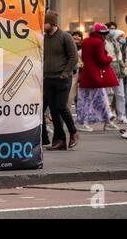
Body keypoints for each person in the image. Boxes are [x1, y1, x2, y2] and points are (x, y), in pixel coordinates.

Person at [42, 10, 79, 150]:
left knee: (61, 107)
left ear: (52, 23)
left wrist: (65, 73)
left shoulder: (65, 37)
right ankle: (60, 140)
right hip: (48, 78)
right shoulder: (44, 38)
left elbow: (74, 58)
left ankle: (74, 132)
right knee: (54, 110)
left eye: (45, 23)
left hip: (62, 78)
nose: (43, 25)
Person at [77, 24, 119, 131]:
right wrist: (110, 58)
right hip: (97, 75)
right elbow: (102, 59)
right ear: (101, 34)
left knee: (89, 98)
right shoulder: (99, 42)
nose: (105, 36)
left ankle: (107, 121)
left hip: (87, 74)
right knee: (98, 99)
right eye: (104, 34)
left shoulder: (86, 41)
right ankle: (84, 123)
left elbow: (83, 57)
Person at [105, 28, 127, 124]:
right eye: (120, 36)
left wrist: (123, 69)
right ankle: (109, 114)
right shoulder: (105, 43)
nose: (122, 38)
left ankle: (121, 115)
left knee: (120, 94)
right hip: (109, 69)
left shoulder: (118, 45)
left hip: (119, 71)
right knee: (108, 94)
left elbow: (121, 58)